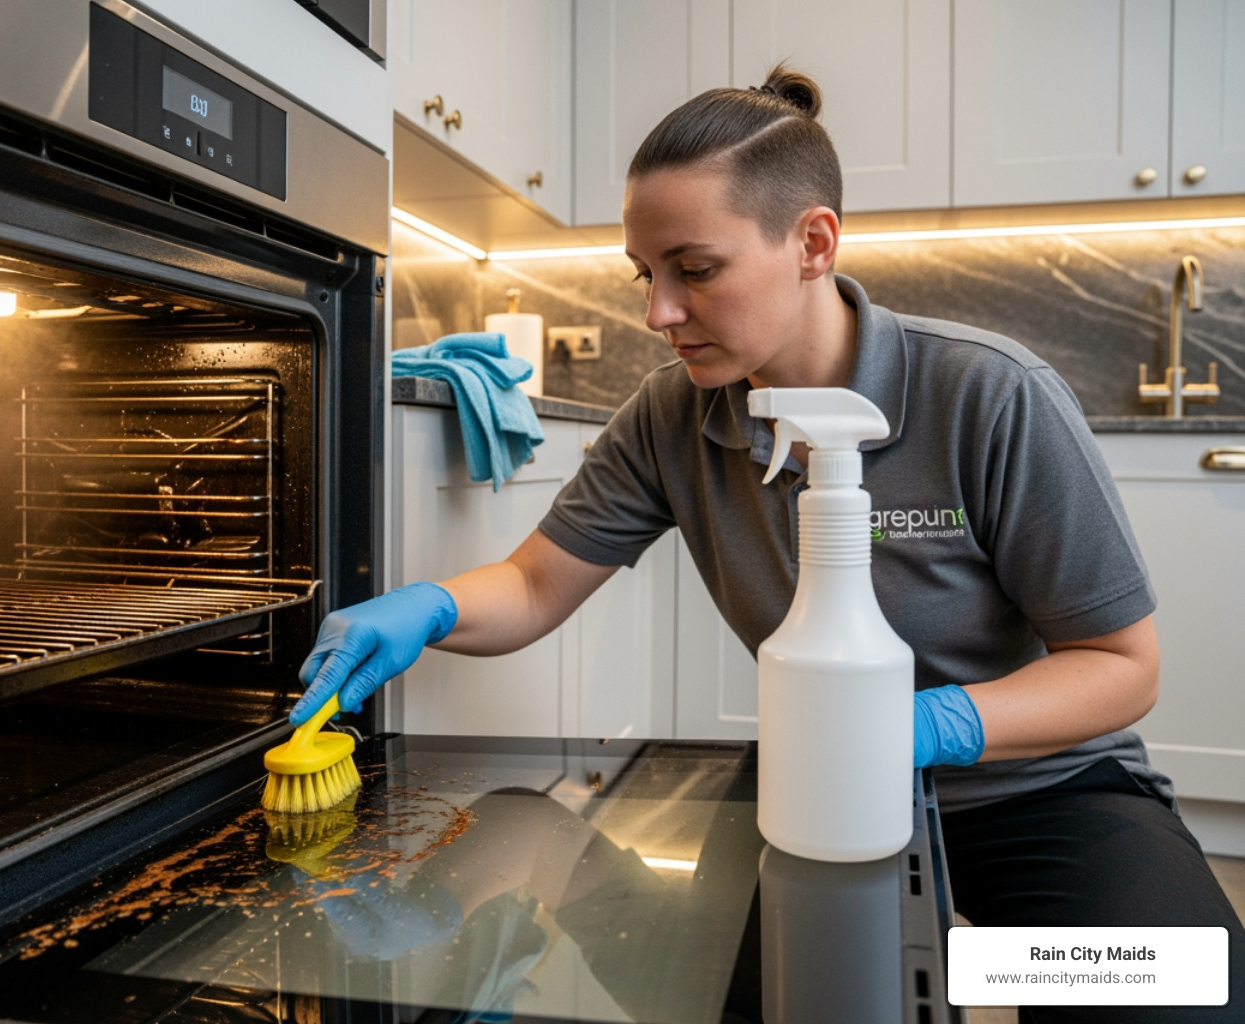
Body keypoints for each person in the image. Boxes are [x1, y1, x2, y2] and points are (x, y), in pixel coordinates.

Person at [293, 66, 1244, 1022]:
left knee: (1176, 996)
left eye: (694, 270)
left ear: (813, 243)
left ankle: (988, 971)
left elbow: (1122, 666)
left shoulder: (990, 395)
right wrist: (433, 606)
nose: (658, 313)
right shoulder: (671, 415)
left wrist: (930, 728)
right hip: (812, 783)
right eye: (647, 276)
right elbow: (537, 585)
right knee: (778, 1001)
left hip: (1041, 792)